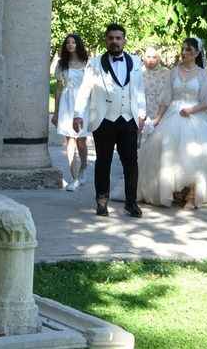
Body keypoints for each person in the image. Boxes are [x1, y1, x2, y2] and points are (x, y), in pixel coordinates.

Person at [138, 37, 207, 208]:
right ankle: (172, 192)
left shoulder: (202, 74)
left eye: (189, 51)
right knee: (165, 148)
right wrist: (157, 119)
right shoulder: (174, 72)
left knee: (196, 152)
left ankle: (193, 196)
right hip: (173, 114)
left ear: (197, 54)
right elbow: (165, 98)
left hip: (195, 116)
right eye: (183, 49)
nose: (184, 53)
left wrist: (191, 111)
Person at [73, 23, 146, 217]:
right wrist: (78, 113)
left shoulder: (136, 62)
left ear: (124, 40)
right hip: (104, 119)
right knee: (103, 161)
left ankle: (131, 202)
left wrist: (142, 114)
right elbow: (85, 90)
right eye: (111, 38)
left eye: (118, 38)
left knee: (131, 162)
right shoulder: (95, 64)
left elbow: (139, 90)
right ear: (106, 40)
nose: (114, 41)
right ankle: (102, 201)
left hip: (129, 118)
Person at [110, 46, 170, 201]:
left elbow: (168, 96)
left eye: (154, 57)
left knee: (156, 151)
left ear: (159, 58)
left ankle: (156, 186)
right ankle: (134, 185)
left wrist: (159, 117)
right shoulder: (137, 72)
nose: (151, 60)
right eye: (148, 57)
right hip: (138, 115)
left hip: (160, 115)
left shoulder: (166, 73)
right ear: (143, 57)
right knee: (134, 151)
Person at [51, 34, 90, 191]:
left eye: (73, 42)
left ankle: (84, 168)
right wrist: (56, 112)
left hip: (82, 104)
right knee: (69, 141)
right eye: (67, 42)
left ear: (78, 44)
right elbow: (59, 89)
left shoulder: (86, 63)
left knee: (81, 141)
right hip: (67, 104)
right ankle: (73, 177)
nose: (70, 44)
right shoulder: (61, 64)